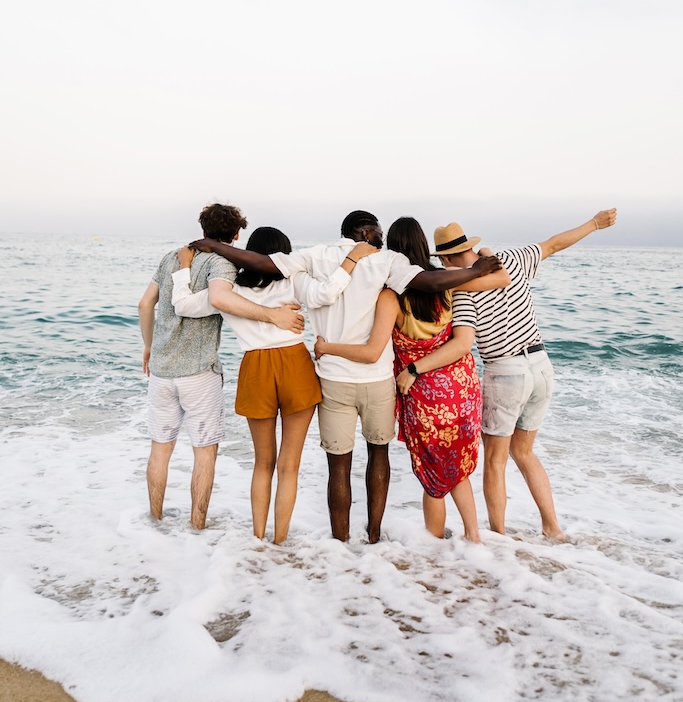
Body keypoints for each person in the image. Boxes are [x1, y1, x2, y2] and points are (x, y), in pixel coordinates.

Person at [190, 210, 506, 543]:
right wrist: (476, 270)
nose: (382, 235)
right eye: (378, 230)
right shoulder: (387, 260)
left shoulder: (315, 257)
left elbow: (264, 266)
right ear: (366, 231)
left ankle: (331, 542)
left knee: (330, 466)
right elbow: (429, 282)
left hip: (328, 379)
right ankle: (371, 536)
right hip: (375, 378)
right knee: (374, 456)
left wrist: (215, 246)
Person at [171, 227, 377, 543]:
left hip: (256, 371)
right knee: (289, 466)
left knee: (262, 464)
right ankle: (280, 541)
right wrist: (352, 257)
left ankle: (258, 539)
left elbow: (182, 306)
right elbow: (327, 292)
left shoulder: (230, 290)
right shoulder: (293, 281)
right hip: (295, 368)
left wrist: (184, 268)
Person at [425, 208, 618, 540]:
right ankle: (552, 528)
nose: (443, 268)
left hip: (505, 371)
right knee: (525, 452)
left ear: (451, 258)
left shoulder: (463, 290)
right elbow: (554, 244)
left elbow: (464, 342)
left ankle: (497, 535)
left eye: (443, 261)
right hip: (542, 367)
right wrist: (594, 224)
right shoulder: (511, 260)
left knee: (496, 461)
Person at [313, 217, 510, 543]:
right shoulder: (448, 281)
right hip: (462, 387)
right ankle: (473, 538)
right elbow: (500, 279)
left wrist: (327, 345)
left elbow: (374, 348)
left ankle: (433, 551)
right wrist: (482, 257)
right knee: (457, 467)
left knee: (435, 475)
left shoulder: (390, 294)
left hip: (424, 394)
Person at [137, 204, 304, 530]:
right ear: (237, 234)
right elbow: (222, 299)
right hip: (199, 372)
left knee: (160, 449)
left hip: (160, 371)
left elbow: (145, 304)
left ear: (202, 229)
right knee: (204, 453)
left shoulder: (172, 257)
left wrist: (148, 346)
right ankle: (197, 526)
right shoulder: (223, 263)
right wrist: (273, 314)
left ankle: (154, 522)